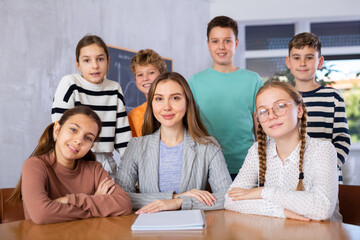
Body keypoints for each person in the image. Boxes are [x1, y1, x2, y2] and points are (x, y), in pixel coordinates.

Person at [115, 72, 232, 213]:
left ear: (187, 101)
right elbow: (119, 197)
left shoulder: (209, 146)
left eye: (175, 98)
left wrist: (180, 202)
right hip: (149, 230)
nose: (167, 107)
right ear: (151, 104)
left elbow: (227, 197)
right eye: (159, 99)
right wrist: (173, 197)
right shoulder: (136, 146)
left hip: (193, 231)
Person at [224, 81, 341, 222]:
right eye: (263, 111)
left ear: (299, 110)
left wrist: (262, 192)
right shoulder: (256, 151)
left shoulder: (323, 150)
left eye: (280, 106)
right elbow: (230, 200)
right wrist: (280, 212)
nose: (271, 115)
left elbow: (322, 208)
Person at [9, 106, 132, 224]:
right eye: (73, 130)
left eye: (88, 138)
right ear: (57, 130)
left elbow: (124, 204)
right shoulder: (35, 166)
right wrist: (96, 203)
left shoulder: (95, 169)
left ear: (91, 146)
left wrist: (69, 200)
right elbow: (42, 214)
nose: (78, 140)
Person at [188, 16, 263, 180]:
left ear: (236, 43)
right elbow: (190, 126)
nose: (221, 47)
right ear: (208, 44)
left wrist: (264, 163)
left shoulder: (253, 80)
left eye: (227, 41)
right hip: (206, 166)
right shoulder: (194, 82)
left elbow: (261, 126)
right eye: (215, 41)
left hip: (247, 164)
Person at [51, 35, 131, 178]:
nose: (95, 65)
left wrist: (133, 169)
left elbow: (123, 137)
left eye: (100, 59)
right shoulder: (70, 84)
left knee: (109, 199)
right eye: (87, 60)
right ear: (78, 64)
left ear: (108, 61)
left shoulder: (114, 89)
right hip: (75, 158)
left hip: (105, 162)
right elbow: (59, 128)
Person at [286, 32, 351, 183]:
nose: (302, 63)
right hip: (292, 180)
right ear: (288, 62)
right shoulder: (283, 98)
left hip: (328, 179)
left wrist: (326, 169)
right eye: (296, 58)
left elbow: (342, 140)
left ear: (320, 62)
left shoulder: (333, 97)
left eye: (309, 57)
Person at [128, 49, 167, 137]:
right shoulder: (134, 115)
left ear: (162, 74)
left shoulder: (173, 107)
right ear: (135, 80)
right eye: (140, 75)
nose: (145, 78)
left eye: (151, 73)